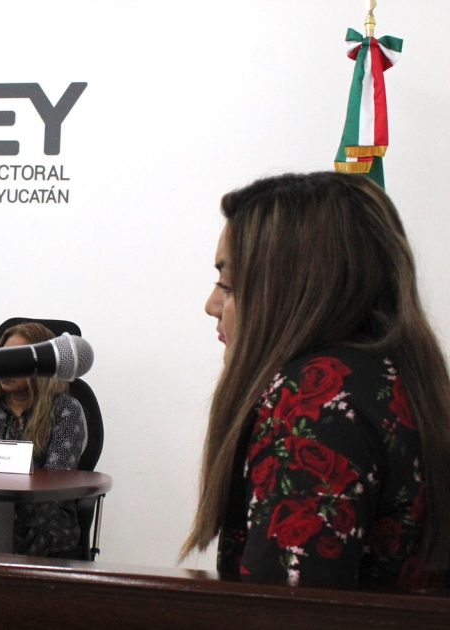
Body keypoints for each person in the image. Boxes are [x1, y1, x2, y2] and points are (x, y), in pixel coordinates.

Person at [184, 172, 450, 590]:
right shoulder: (396, 377)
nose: (211, 304)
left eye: (229, 285)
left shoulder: (313, 400)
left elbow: (284, 607)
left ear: (292, 288)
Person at [0, 322, 88, 557]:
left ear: (43, 365)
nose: (5, 367)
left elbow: (55, 483)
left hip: (44, 520)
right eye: (2, 358)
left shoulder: (66, 410)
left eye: (16, 359)